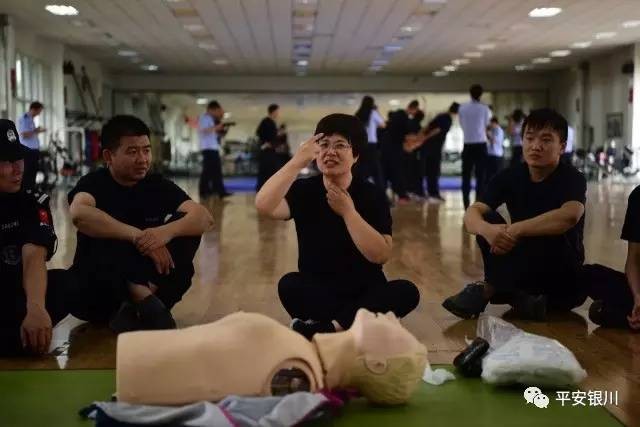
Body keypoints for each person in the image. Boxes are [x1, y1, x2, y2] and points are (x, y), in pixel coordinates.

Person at [255, 113, 420, 340]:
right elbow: (264, 206)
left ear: (356, 155)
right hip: (319, 291)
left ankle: (327, 327)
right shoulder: (304, 190)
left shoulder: (372, 194)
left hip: (364, 290)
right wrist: (296, 162)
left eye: (340, 145)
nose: (330, 152)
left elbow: (380, 254)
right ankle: (355, 324)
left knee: (406, 291)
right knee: (289, 284)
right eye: (324, 145)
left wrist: (348, 212)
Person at [67, 115, 214, 332]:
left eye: (146, 150)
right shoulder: (94, 183)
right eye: (132, 152)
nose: (143, 159)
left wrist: (164, 233)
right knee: (103, 228)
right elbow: (79, 214)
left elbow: (204, 218)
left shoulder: (156, 184)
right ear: (108, 156)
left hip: (152, 292)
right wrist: (137, 236)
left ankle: (140, 300)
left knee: (187, 227)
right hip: (98, 293)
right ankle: (140, 296)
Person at [442, 108, 587, 321]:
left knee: (569, 275)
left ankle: (492, 289)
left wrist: (516, 229)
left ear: (562, 146)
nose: (536, 146)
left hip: (561, 270)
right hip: (524, 265)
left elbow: (569, 216)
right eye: (530, 138)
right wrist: (487, 230)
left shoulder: (572, 178)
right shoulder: (510, 176)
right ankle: (520, 297)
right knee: (488, 219)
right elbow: (472, 213)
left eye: (546, 140)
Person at [0, 119, 69, 356]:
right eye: (7, 162)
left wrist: (36, 308)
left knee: (67, 283)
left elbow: (34, 254)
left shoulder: (31, 201)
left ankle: (25, 333)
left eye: (18, 159)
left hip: (19, 292)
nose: (18, 169)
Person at [583, 187, 640, 330]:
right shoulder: (638, 197)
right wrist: (637, 296)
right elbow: (633, 260)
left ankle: (627, 317)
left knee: (601, 312)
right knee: (589, 274)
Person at [458, 85, 491, 209]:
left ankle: (465, 204)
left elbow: (462, 124)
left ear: (470, 93)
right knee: (480, 176)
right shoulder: (485, 108)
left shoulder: (462, 108)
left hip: (468, 144)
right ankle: (478, 204)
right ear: (481, 94)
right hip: (480, 144)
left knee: (466, 175)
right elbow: (486, 124)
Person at [419, 102, 459, 202]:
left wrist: (421, 136)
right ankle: (433, 194)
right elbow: (437, 130)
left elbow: (428, 126)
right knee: (434, 171)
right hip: (434, 148)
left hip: (428, 147)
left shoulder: (441, 115)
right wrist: (425, 137)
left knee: (429, 171)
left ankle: (429, 193)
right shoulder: (447, 119)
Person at [382, 100, 420, 203]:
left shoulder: (397, 116)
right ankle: (401, 194)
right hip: (394, 149)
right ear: (413, 109)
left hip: (387, 148)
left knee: (387, 172)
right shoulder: (403, 117)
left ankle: (390, 194)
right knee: (397, 171)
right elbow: (403, 134)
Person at [198, 101, 231, 198]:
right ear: (212, 109)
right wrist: (217, 127)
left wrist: (221, 131)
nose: (218, 113)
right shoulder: (204, 118)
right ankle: (204, 191)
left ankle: (218, 191)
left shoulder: (210, 119)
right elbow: (204, 130)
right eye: (217, 111)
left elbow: (212, 133)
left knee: (216, 170)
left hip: (213, 147)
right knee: (207, 170)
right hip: (208, 148)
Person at [354, 95, 386, 192]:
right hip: (371, 145)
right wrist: (377, 111)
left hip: (361, 144)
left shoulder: (358, 114)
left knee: (361, 167)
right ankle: (380, 191)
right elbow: (383, 125)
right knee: (376, 169)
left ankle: (359, 188)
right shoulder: (373, 113)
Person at [17, 101, 46, 191]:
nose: (39, 113)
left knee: (33, 172)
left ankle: (30, 191)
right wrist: (36, 130)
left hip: (33, 150)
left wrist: (36, 130)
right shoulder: (24, 118)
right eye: (39, 111)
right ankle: (25, 191)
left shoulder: (31, 119)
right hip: (28, 151)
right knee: (27, 173)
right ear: (34, 109)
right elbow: (24, 134)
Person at [256, 104, 281, 191]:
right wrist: (265, 143)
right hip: (266, 150)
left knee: (271, 169)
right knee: (266, 170)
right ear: (273, 111)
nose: (278, 113)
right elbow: (259, 132)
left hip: (271, 150)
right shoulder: (266, 121)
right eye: (277, 111)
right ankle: (262, 189)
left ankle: (269, 188)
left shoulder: (272, 122)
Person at [405, 109, 426, 198]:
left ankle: (409, 189)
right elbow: (419, 139)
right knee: (417, 172)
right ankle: (417, 191)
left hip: (407, 151)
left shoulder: (408, 123)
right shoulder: (418, 126)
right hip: (415, 151)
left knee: (408, 171)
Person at [485, 117, 505, 182]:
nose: (490, 125)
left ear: (495, 123)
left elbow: (494, 141)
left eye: (491, 123)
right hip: (491, 155)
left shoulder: (499, 131)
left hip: (497, 156)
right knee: (489, 174)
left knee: (497, 174)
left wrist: (488, 134)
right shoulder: (493, 130)